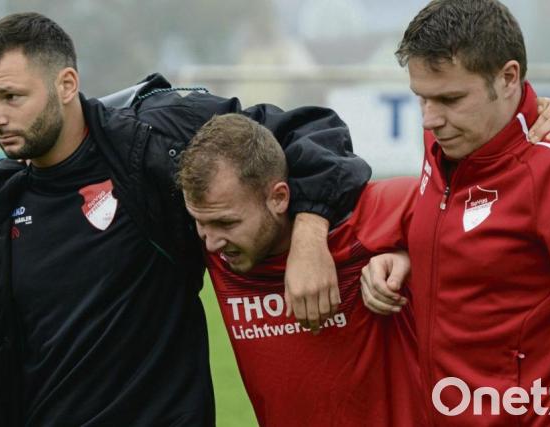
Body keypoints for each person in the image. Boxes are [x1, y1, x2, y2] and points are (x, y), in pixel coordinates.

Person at [0, 12, 371, 426]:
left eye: (11, 97)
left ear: (66, 84)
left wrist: (310, 236)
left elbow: (312, 132)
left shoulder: (155, 143)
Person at [362, 0, 550, 425]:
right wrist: (407, 257)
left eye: (450, 98)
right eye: (422, 99)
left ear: (508, 77)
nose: (430, 119)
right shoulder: (446, 142)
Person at [177, 113, 424, 426]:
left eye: (226, 223)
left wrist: (413, 260)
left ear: (279, 198)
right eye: (200, 222)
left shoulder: (379, 214)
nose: (211, 243)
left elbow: (477, 227)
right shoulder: (219, 249)